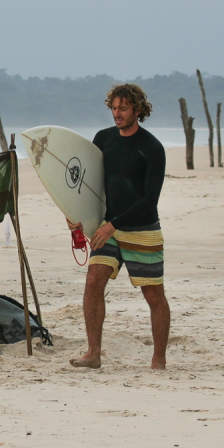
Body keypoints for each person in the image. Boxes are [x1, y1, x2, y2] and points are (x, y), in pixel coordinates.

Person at [67, 83, 170, 370]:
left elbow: (150, 200)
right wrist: (74, 213)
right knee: (93, 282)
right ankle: (93, 353)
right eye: (113, 108)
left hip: (142, 229)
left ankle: (159, 359)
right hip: (107, 227)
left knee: (153, 294)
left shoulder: (151, 148)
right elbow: (87, 183)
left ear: (138, 109)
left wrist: (113, 225)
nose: (117, 113)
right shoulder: (103, 139)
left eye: (123, 108)